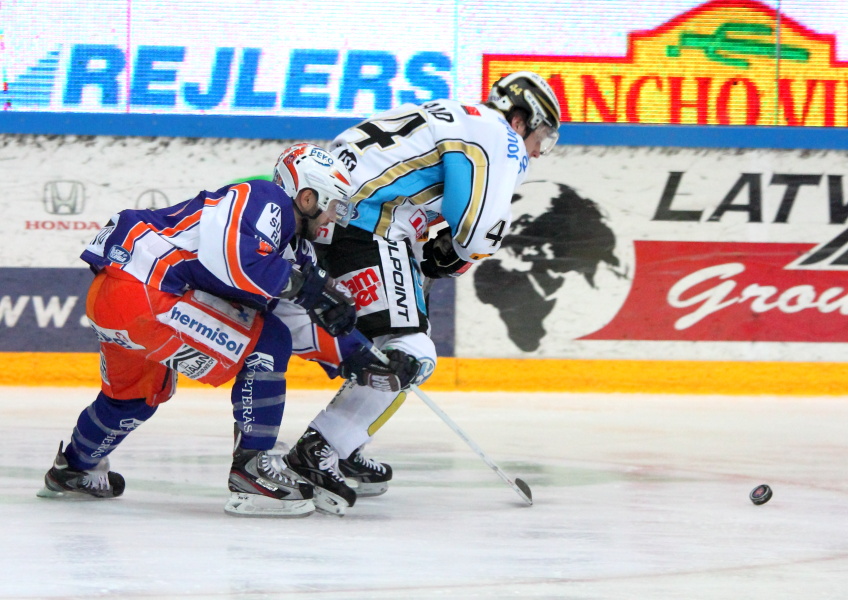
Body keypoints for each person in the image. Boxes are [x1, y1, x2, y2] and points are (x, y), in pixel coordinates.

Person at [36, 143, 421, 518]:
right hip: (148, 292)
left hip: (117, 298)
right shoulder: (264, 198)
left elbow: (294, 311)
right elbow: (235, 262)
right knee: (269, 340)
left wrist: (360, 356)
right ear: (305, 198)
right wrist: (312, 289)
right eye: (333, 207)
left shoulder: (291, 249)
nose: (333, 219)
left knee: (132, 399)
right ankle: (252, 471)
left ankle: (73, 469)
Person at [281, 71, 562, 513]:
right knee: (411, 350)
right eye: (540, 137)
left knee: (385, 352)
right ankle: (318, 450)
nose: (535, 151)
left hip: (332, 218)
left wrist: (430, 247)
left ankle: (344, 442)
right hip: (366, 225)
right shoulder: (499, 134)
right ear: (522, 118)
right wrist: (456, 254)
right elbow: (479, 234)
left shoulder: (448, 112)